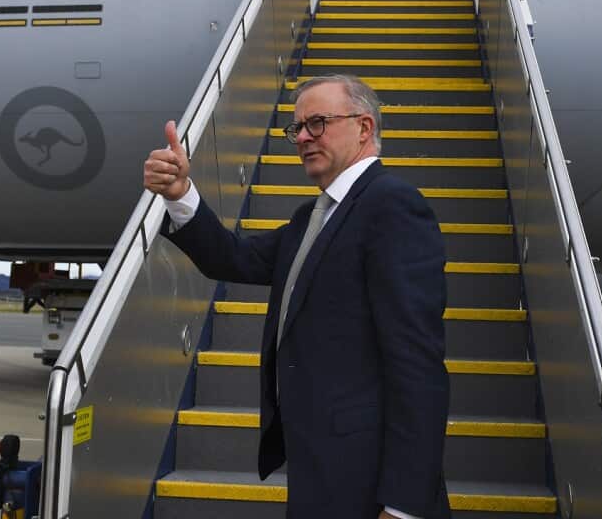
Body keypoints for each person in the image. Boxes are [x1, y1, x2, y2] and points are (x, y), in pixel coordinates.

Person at [144, 74, 450, 519]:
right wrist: (180, 195)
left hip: (368, 478)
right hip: (321, 466)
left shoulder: (392, 207)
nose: (303, 137)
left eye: (318, 123)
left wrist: (404, 505)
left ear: (365, 128)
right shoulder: (315, 215)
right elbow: (235, 259)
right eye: (297, 128)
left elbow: (417, 364)